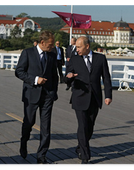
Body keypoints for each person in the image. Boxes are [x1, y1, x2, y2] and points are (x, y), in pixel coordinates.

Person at [65, 36, 112, 165]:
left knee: (90, 127)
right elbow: (67, 77)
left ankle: (80, 147)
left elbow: (106, 78)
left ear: (87, 46)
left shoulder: (100, 58)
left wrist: (108, 95)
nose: (76, 49)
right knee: (82, 125)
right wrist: (68, 77)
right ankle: (85, 156)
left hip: (95, 98)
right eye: (76, 47)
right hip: (79, 97)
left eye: (79, 47)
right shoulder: (74, 59)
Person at [15, 30, 58, 165]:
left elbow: (54, 76)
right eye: (50, 45)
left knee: (46, 128)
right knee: (29, 123)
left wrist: (54, 93)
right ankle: (23, 142)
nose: (52, 47)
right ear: (42, 42)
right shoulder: (27, 53)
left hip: (47, 96)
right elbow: (19, 72)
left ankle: (42, 157)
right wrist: (35, 79)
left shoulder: (52, 54)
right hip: (31, 94)